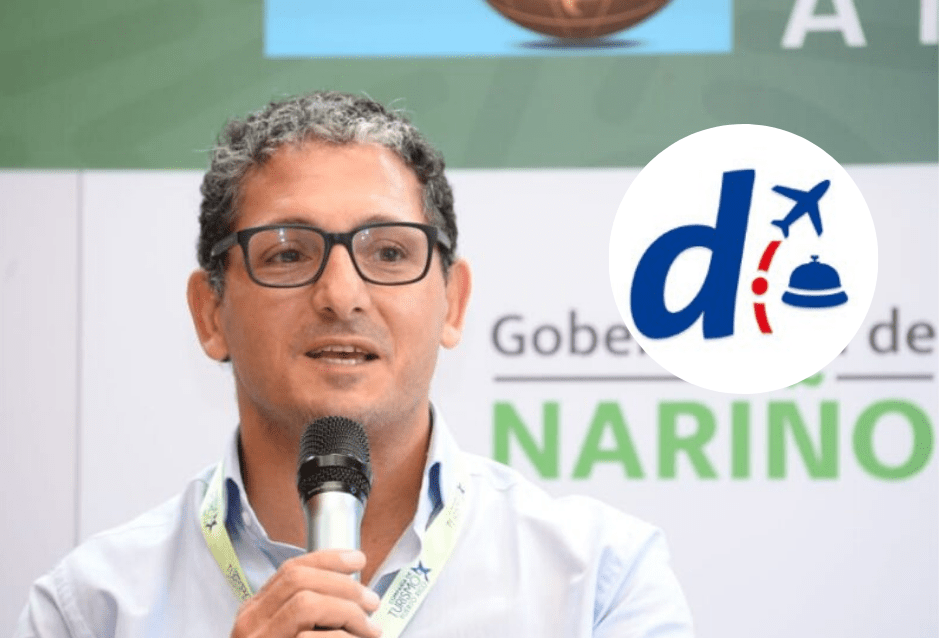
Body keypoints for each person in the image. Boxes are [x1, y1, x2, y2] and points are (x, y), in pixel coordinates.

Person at [15, 91, 694, 637]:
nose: (341, 295)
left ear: (453, 303)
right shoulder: (90, 610)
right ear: (211, 313)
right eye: (288, 253)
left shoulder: (599, 582)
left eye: (389, 253)